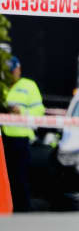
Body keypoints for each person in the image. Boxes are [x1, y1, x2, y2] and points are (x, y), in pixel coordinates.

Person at [3, 56, 44, 211]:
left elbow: (38, 112)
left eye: (13, 70)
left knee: (20, 179)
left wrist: (21, 111)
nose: (11, 74)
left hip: (20, 138)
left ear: (18, 69)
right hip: (3, 138)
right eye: (8, 72)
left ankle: (22, 212)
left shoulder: (29, 86)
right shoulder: (3, 87)